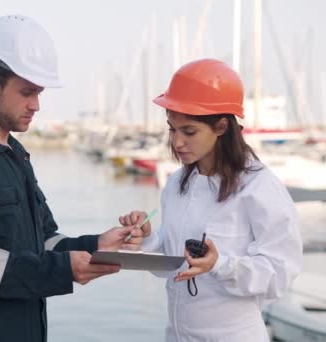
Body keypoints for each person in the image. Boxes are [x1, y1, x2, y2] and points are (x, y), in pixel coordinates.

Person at [0, 15, 147, 342]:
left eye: (39, 93)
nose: (36, 105)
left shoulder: (15, 155)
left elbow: (44, 242)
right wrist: (62, 271)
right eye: (27, 92)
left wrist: (97, 245)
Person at [119, 59, 302, 342]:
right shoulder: (175, 184)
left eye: (188, 131)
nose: (177, 142)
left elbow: (280, 275)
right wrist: (144, 240)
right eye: (172, 129)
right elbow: (172, 261)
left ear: (221, 127)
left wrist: (220, 265)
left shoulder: (259, 187)